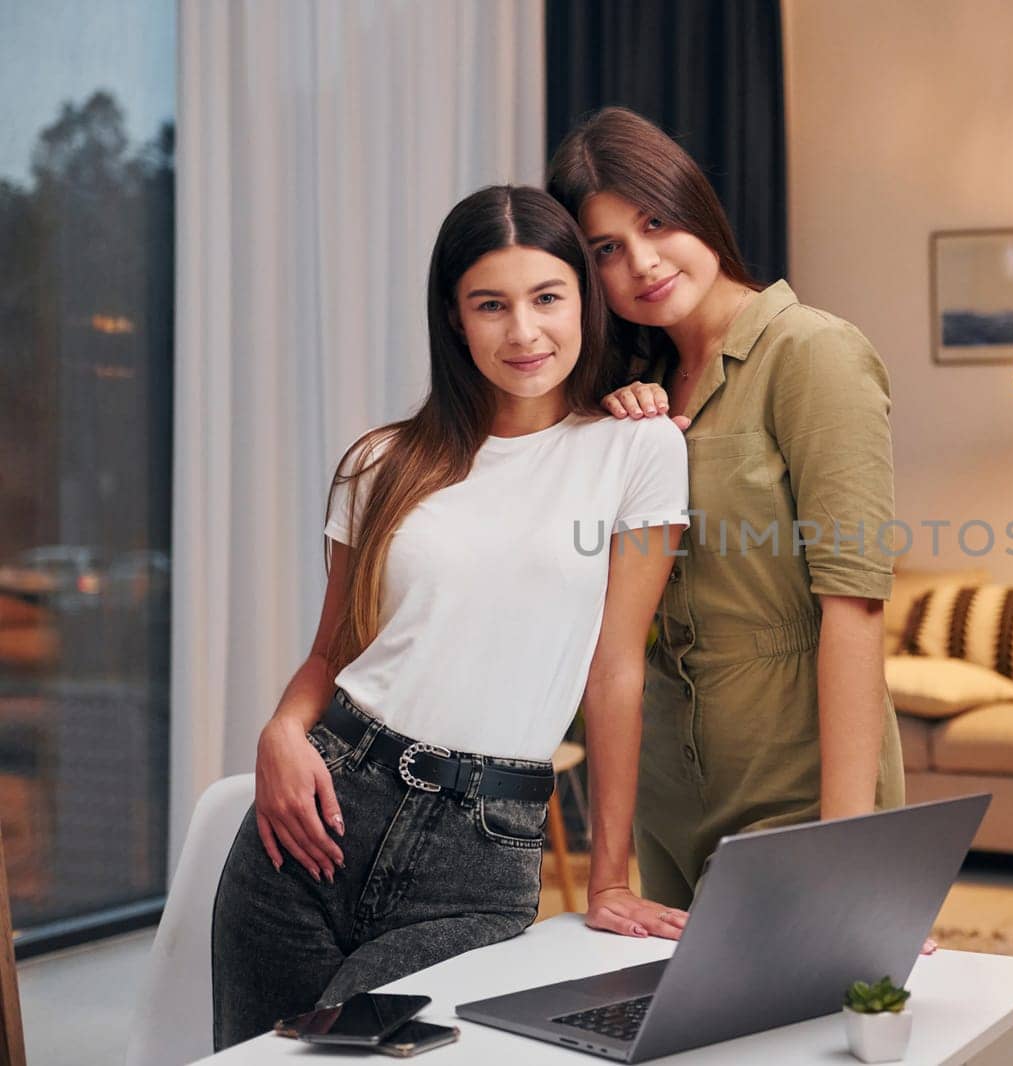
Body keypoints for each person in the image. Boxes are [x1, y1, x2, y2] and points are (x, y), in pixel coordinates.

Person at [210, 185, 691, 1049]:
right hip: (318, 813)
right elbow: (334, 652)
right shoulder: (379, 462)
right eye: (490, 305)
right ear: (454, 318)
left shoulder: (638, 449)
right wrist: (281, 731)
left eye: (547, 298)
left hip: (479, 855)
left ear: (584, 298)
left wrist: (609, 879)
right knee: (259, 1058)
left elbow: (615, 671)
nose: (524, 332)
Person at [548, 108, 905, 912]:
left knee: (798, 1035)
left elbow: (854, 604)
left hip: (797, 792)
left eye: (656, 221)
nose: (641, 262)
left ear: (695, 205)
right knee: (680, 1037)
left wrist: (842, 844)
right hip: (667, 802)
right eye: (606, 249)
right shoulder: (631, 394)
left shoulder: (812, 354)